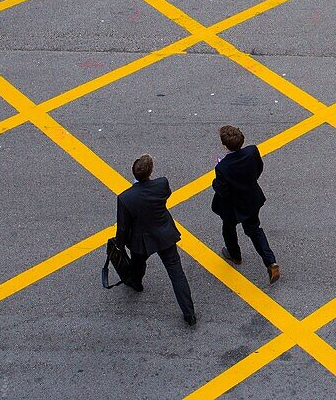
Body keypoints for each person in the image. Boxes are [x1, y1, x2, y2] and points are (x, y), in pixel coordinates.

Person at [115, 154, 196, 326]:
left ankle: (136, 284)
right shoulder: (161, 184)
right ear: (150, 171)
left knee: (137, 264)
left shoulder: (125, 198)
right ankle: (189, 314)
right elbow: (166, 196)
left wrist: (119, 246)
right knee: (176, 273)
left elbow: (123, 227)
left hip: (140, 240)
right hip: (164, 234)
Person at [212, 125, 280, 285]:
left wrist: (214, 182)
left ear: (225, 145)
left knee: (228, 228)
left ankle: (235, 255)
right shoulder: (252, 151)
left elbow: (223, 191)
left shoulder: (222, 167)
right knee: (255, 230)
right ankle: (271, 262)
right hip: (250, 200)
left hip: (232, 206)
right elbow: (259, 169)